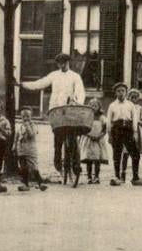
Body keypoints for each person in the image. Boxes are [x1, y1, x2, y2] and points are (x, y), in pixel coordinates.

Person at [20, 52, 85, 185]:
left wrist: (76, 100)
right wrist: (23, 84)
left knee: (72, 140)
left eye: (64, 62)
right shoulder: (54, 75)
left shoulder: (75, 76)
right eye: (59, 63)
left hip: (70, 110)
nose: (62, 65)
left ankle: (75, 167)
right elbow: (41, 83)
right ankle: (59, 169)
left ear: (68, 62)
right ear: (57, 64)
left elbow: (80, 91)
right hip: (56, 111)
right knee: (58, 141)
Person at [108, 82, 142, 186]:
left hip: (128, 130)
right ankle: (117, 177)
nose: (121, 93)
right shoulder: (112, 105)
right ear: (115, 93)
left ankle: (135, 177)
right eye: (118, 91)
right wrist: (109, 134)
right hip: (116, 130)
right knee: (117, 154)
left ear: (126, 92)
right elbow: (109, 121)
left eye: (123, 91)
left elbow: (135, 119)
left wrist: (135, 132)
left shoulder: (130, 105)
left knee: (135, 154)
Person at [14, 107, 48, 192]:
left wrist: (27, 126)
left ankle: (40, 183)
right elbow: (16, 137)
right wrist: (14, 146)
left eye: (27, 116)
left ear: (31, 117)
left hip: (30, 149)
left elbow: (31, 135)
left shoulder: (33, 125)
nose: (25, 118)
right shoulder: (20, 127)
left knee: (33, 167)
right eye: (23, 116)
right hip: (21, 150)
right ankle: (25, 184)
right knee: (23, 167)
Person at [79, 98, 108, 184]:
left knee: (97, 159)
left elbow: (105, 129)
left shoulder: (102, 118)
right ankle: (89, 177)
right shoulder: (87, 117)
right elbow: (83, 128)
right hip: (89, 139)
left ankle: (96, 176)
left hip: (98, 140)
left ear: (99, 107)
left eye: (95, 106)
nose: (93, 107)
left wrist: (99, 136)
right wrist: (88, 135)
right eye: (91, 105)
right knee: (89, 159)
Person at [121, 88, 142, 181]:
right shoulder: (125, 106)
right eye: (131, 97)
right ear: (128, 97)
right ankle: (122, 173)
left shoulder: (139, 108)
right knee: (125, 154)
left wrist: (137, 121)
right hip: (126, 130)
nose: (133, 99)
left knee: (135, 153)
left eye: (135, 97)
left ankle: (135, 175)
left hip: (136, 132)